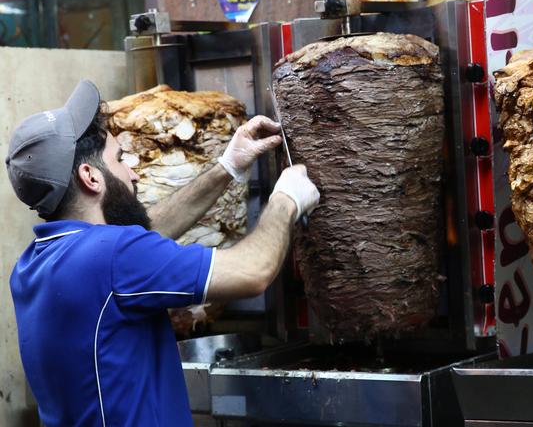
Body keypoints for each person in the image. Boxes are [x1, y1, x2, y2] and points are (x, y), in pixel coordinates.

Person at [5, 80, 320, 427]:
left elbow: (141, 236)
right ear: (91, 177)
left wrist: (227, 167)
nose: (133, 171)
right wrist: (286, 199)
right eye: (120, 160)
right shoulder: (113, 256)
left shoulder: (33, 265)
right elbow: (255, 271)